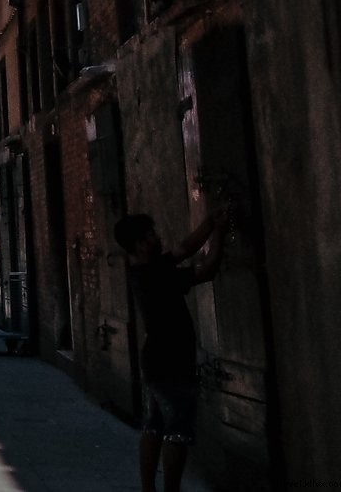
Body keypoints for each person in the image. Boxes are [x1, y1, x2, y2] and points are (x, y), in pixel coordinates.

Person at [113, 209, 231, 492]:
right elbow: (208, 269)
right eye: (151, 235)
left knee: (154, 426)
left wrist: (210, 222)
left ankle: (148, 489)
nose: (157, 238)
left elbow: (184, 248)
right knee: (177, 432)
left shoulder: (142, 270)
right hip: (172, 363)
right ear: (141, 244)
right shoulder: (156, 275)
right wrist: (220, 234)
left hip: (155, 362)